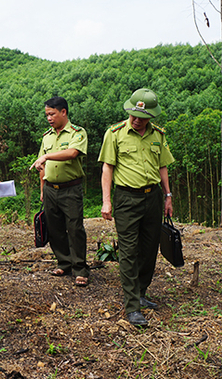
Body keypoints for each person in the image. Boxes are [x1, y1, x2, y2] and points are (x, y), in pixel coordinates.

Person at [97, 88, 175, 327]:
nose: (137, 119)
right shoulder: (115, 133)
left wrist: (168, 195)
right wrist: (107, 201)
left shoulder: (158, 135)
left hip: (152, 198)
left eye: (142, 116)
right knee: (129, 251)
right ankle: (132, 306)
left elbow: (163, 166)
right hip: (126, 199)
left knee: (150, 248)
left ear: (152, 116)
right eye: (133, 114)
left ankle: (141, 292)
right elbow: (107, 168)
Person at [29, 96, 89, 287]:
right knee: (54, 229)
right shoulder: (47, 136)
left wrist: (47, 155)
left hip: (70, 189)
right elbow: (41, 166)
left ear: (63, 112)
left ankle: (80, 268)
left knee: (74, 229)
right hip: (50, 190)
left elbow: (72, 153)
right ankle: (64, 263)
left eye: (52, 114)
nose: (49, 118)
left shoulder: (77, 133)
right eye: (47, 114)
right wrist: (42, 190)